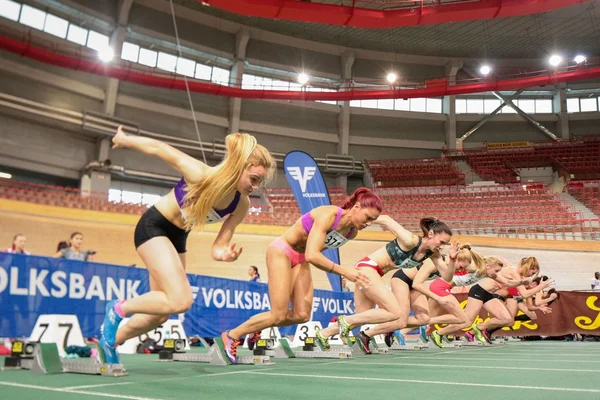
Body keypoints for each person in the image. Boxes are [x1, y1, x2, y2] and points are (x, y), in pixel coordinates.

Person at [99, 126, 276, 364]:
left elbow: (218, 246)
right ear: (239, 166)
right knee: (181, 301)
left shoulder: (240, 204)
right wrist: (125, 139)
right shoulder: (200, 174)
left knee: (159, 316)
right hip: (155, 226)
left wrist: (224, 254)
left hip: (178, 238)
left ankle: (108, 343)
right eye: (254, 179)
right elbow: (158, 148)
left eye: (260, 182)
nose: (255, 187)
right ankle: (119, 308)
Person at [219, 188, 382, 364]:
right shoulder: (329, 215)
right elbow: (313, 255)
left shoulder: (351, 232)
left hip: (301, 258)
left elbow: (315, 252)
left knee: (302, 315)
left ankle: (257, 327)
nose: (369, 223)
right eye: (368, 218)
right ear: (357, 207)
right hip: (282, 251)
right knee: (278, 314)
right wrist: (345, 271)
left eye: (373, 220)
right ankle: (231, 335)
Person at [315, 216, 455, 354]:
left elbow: (446, 276)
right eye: (441, 242)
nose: (442, 247)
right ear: (431, 234)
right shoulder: (410, 240)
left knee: (363, 317)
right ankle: (345, 320)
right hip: (367, 268)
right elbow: (386, 219)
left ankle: (324, 333)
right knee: (395, 312)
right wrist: (356, 221)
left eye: (445, 244)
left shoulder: (433, 254)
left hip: (373, 272)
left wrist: (453, 260)